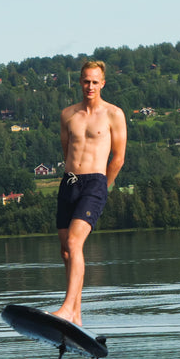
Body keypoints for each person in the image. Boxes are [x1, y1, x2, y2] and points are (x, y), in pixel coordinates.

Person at [51, 60, 126, 327]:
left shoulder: (113, 114)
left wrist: (103, 187)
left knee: (74, 242)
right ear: (79, 82)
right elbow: (66, 150)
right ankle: (77, 316)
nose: (90, 86)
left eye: (95, 81)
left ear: (103, 83)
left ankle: (67, 309)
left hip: (96, 182)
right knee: (66, 251)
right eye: (86, 81)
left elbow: (118, 157)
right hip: (69, 182)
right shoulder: (68, 115)